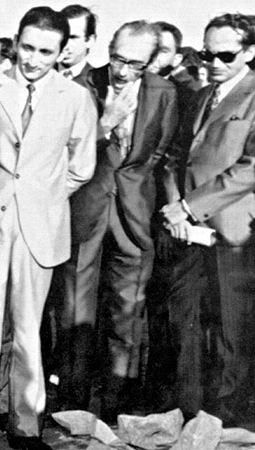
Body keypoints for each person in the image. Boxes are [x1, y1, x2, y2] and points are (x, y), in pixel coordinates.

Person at [0, 7, 96, 449]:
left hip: (39, 227)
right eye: (28, 48)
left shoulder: (75, 98)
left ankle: (25, 425)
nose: (33, 59)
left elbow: (81, 167)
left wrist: (44, 196)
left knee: (27, 330)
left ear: (61, 52)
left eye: (46, 52)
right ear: (15, 42)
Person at [64, 21, 179, 417]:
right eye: (117, 59)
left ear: (150, 62)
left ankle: (117, 402)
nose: (123, 71)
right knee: (76, 312)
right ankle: (72, 403)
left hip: (134, 217)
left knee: (127, 313)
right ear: (107, 50)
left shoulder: (164, 93)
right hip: (86, 212)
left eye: (135, 63)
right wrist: (106, 122)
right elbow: (63, 150)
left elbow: (160, 155)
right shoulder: (80, 86)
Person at [160, 13, 255, 424]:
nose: (213, 62)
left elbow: (250, 167)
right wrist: (176, 210)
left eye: (225, 55)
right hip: (188, 231)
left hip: (232, 232)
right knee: (187, 324)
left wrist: (190, 206)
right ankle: (190, 411)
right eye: (206, 53)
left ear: (250, 52)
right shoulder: (201, 96)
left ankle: (229, 418)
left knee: (233, 331)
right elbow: (177, 158)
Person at [58, 5, 97, 84]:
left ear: (90, 41)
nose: (65, 45)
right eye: (62, 36)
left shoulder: (100, 84)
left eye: (73, 37)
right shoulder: (39, 76)